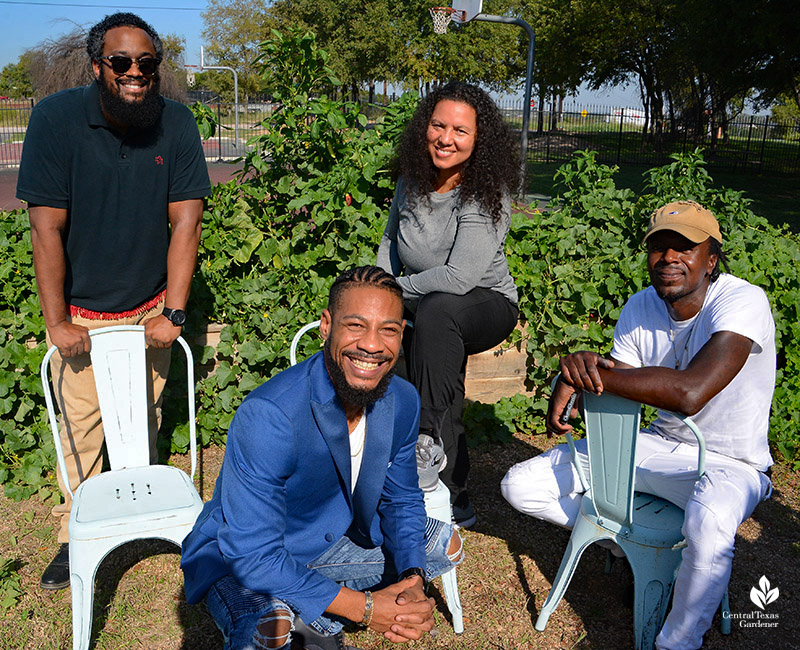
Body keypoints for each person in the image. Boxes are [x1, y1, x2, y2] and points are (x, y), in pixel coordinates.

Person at [501, 201, 775, 650]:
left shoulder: (743, 301)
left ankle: (677, 641)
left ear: (712, 258)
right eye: (658, 247)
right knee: (521, 486)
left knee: (708, 528)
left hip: (731, 463)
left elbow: (690, 392)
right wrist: (584, 374)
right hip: (659, 446)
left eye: (685, 247)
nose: (669, 258)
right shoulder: (640, 305)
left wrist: (591, 377)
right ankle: (626, 548)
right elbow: (617, 394)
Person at [16, 12, 210, 591]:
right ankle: (76, 532)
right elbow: (45, 228)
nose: (135, 74)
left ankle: (139, 515)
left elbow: (187, 223)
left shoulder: (175, 123)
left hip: (148, 306)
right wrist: (57, 322)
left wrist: (173, 311)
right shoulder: (55, 120)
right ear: (97, 64)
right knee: (82, 425)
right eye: (121, 63)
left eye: (147, 64)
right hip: (83, 311)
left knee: (140, 416)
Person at [181, 266, 464, 650]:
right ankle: (295, 613)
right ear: (326, 326)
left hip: (329, 543)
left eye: (389, 329)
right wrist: (365, 609)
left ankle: (313, 605)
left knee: (443, 544)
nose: (372, 345)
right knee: (270, 632)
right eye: (356, 325)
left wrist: (412, 578)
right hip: (243, 557)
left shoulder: (402, 399)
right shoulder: (269, 414)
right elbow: (253, 554)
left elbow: (401, 499)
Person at [377, 81, 520, 529]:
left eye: (460, 130)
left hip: (485, 304)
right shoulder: (411, 180)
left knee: (437, 312)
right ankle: (413, 479)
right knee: (394, 336)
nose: (446, 138)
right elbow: (388, 243)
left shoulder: (483, 192)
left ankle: (434, 452)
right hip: (429, 301)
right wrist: (377, 292)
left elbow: (460, 279)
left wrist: (393, 293)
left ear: (480, 140)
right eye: (438, 125)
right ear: (425, 127)